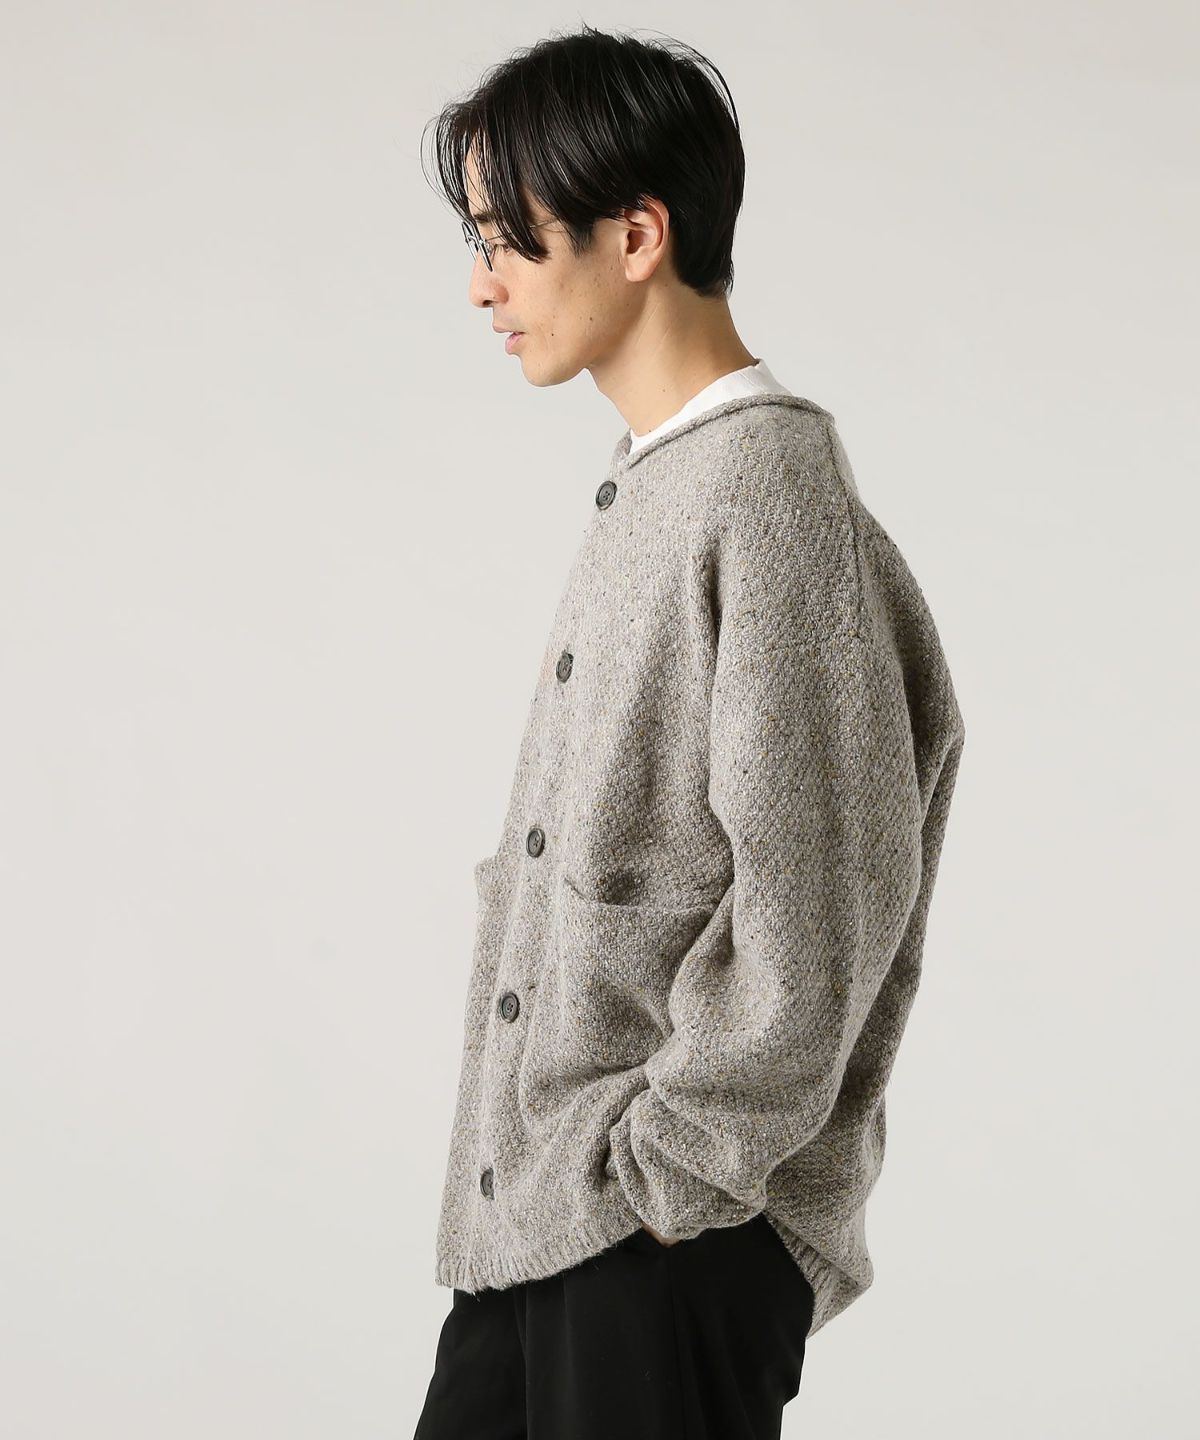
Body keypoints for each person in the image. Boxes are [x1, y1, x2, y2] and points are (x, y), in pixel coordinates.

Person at [413, 24, 966, 1440]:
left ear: (637, 234)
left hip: (660, 1235)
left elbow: (822, 899)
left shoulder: (765, 493)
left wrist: (673, 1178)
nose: (481, 285)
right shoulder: (660, 484)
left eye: (509, 242)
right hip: (551, 1220)